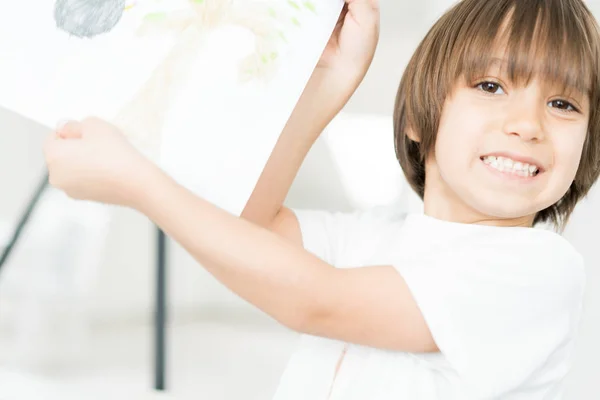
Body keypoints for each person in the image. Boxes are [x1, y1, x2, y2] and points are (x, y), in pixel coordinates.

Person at [43, 0, 600, 398]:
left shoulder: (539, 271)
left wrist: (136, 181)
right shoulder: (377, 239)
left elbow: (315, 301)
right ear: (418, 120)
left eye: (564, 105)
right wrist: (332, 77)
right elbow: (251, 225)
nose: (527, 124)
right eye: (492, 87)